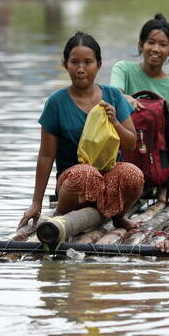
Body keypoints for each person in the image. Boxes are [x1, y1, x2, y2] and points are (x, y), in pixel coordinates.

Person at [18, 31, 144, 231]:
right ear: (65, 65)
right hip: (74, 183)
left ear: (99, 65)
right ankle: (61, 215)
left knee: (133, 174)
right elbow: (46, 155)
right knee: (87, 174)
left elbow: (131, 143)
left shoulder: (113, 96)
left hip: (108, 179)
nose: (81, 69)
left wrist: (115, 123)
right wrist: (36, 203)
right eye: (74, 62)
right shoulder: (56, 102)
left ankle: (118, 216)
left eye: (88, 62)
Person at [110, 13, 169, 202]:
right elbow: (113, 96)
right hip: (126, 152)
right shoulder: (123, 70)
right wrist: (126, 97)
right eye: (151, 42)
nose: (156, 49)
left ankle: (162, 187)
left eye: (163, 44)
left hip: (157, 161)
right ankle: (128, 184)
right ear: (141, 44)